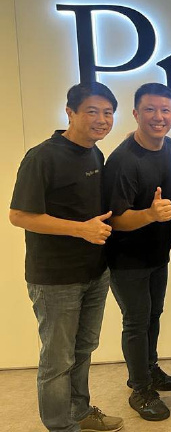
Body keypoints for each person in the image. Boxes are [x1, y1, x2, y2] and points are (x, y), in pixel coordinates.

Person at [9, 82, 124, 432]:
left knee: (84, 348)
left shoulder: (95, 153)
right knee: (57, 359)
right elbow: (19, 215)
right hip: (55, 278)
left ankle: (80, 412)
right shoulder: (42, 157)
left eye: (108, 113)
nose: (102, 120)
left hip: (94, 272)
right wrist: (80, 229)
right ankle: (60, 426)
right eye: (92, 111)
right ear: (70, 112)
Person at [103, 83, 171, 422]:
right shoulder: (123, 161)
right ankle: (140, 389)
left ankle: (150, 370)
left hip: (157, 254)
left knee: (153, 315)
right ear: (136, 114)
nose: (158, 117)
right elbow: (116, 220)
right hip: (126, 259)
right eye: (150, 109)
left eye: (165, 110)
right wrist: (150, 214)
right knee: (136, 322)